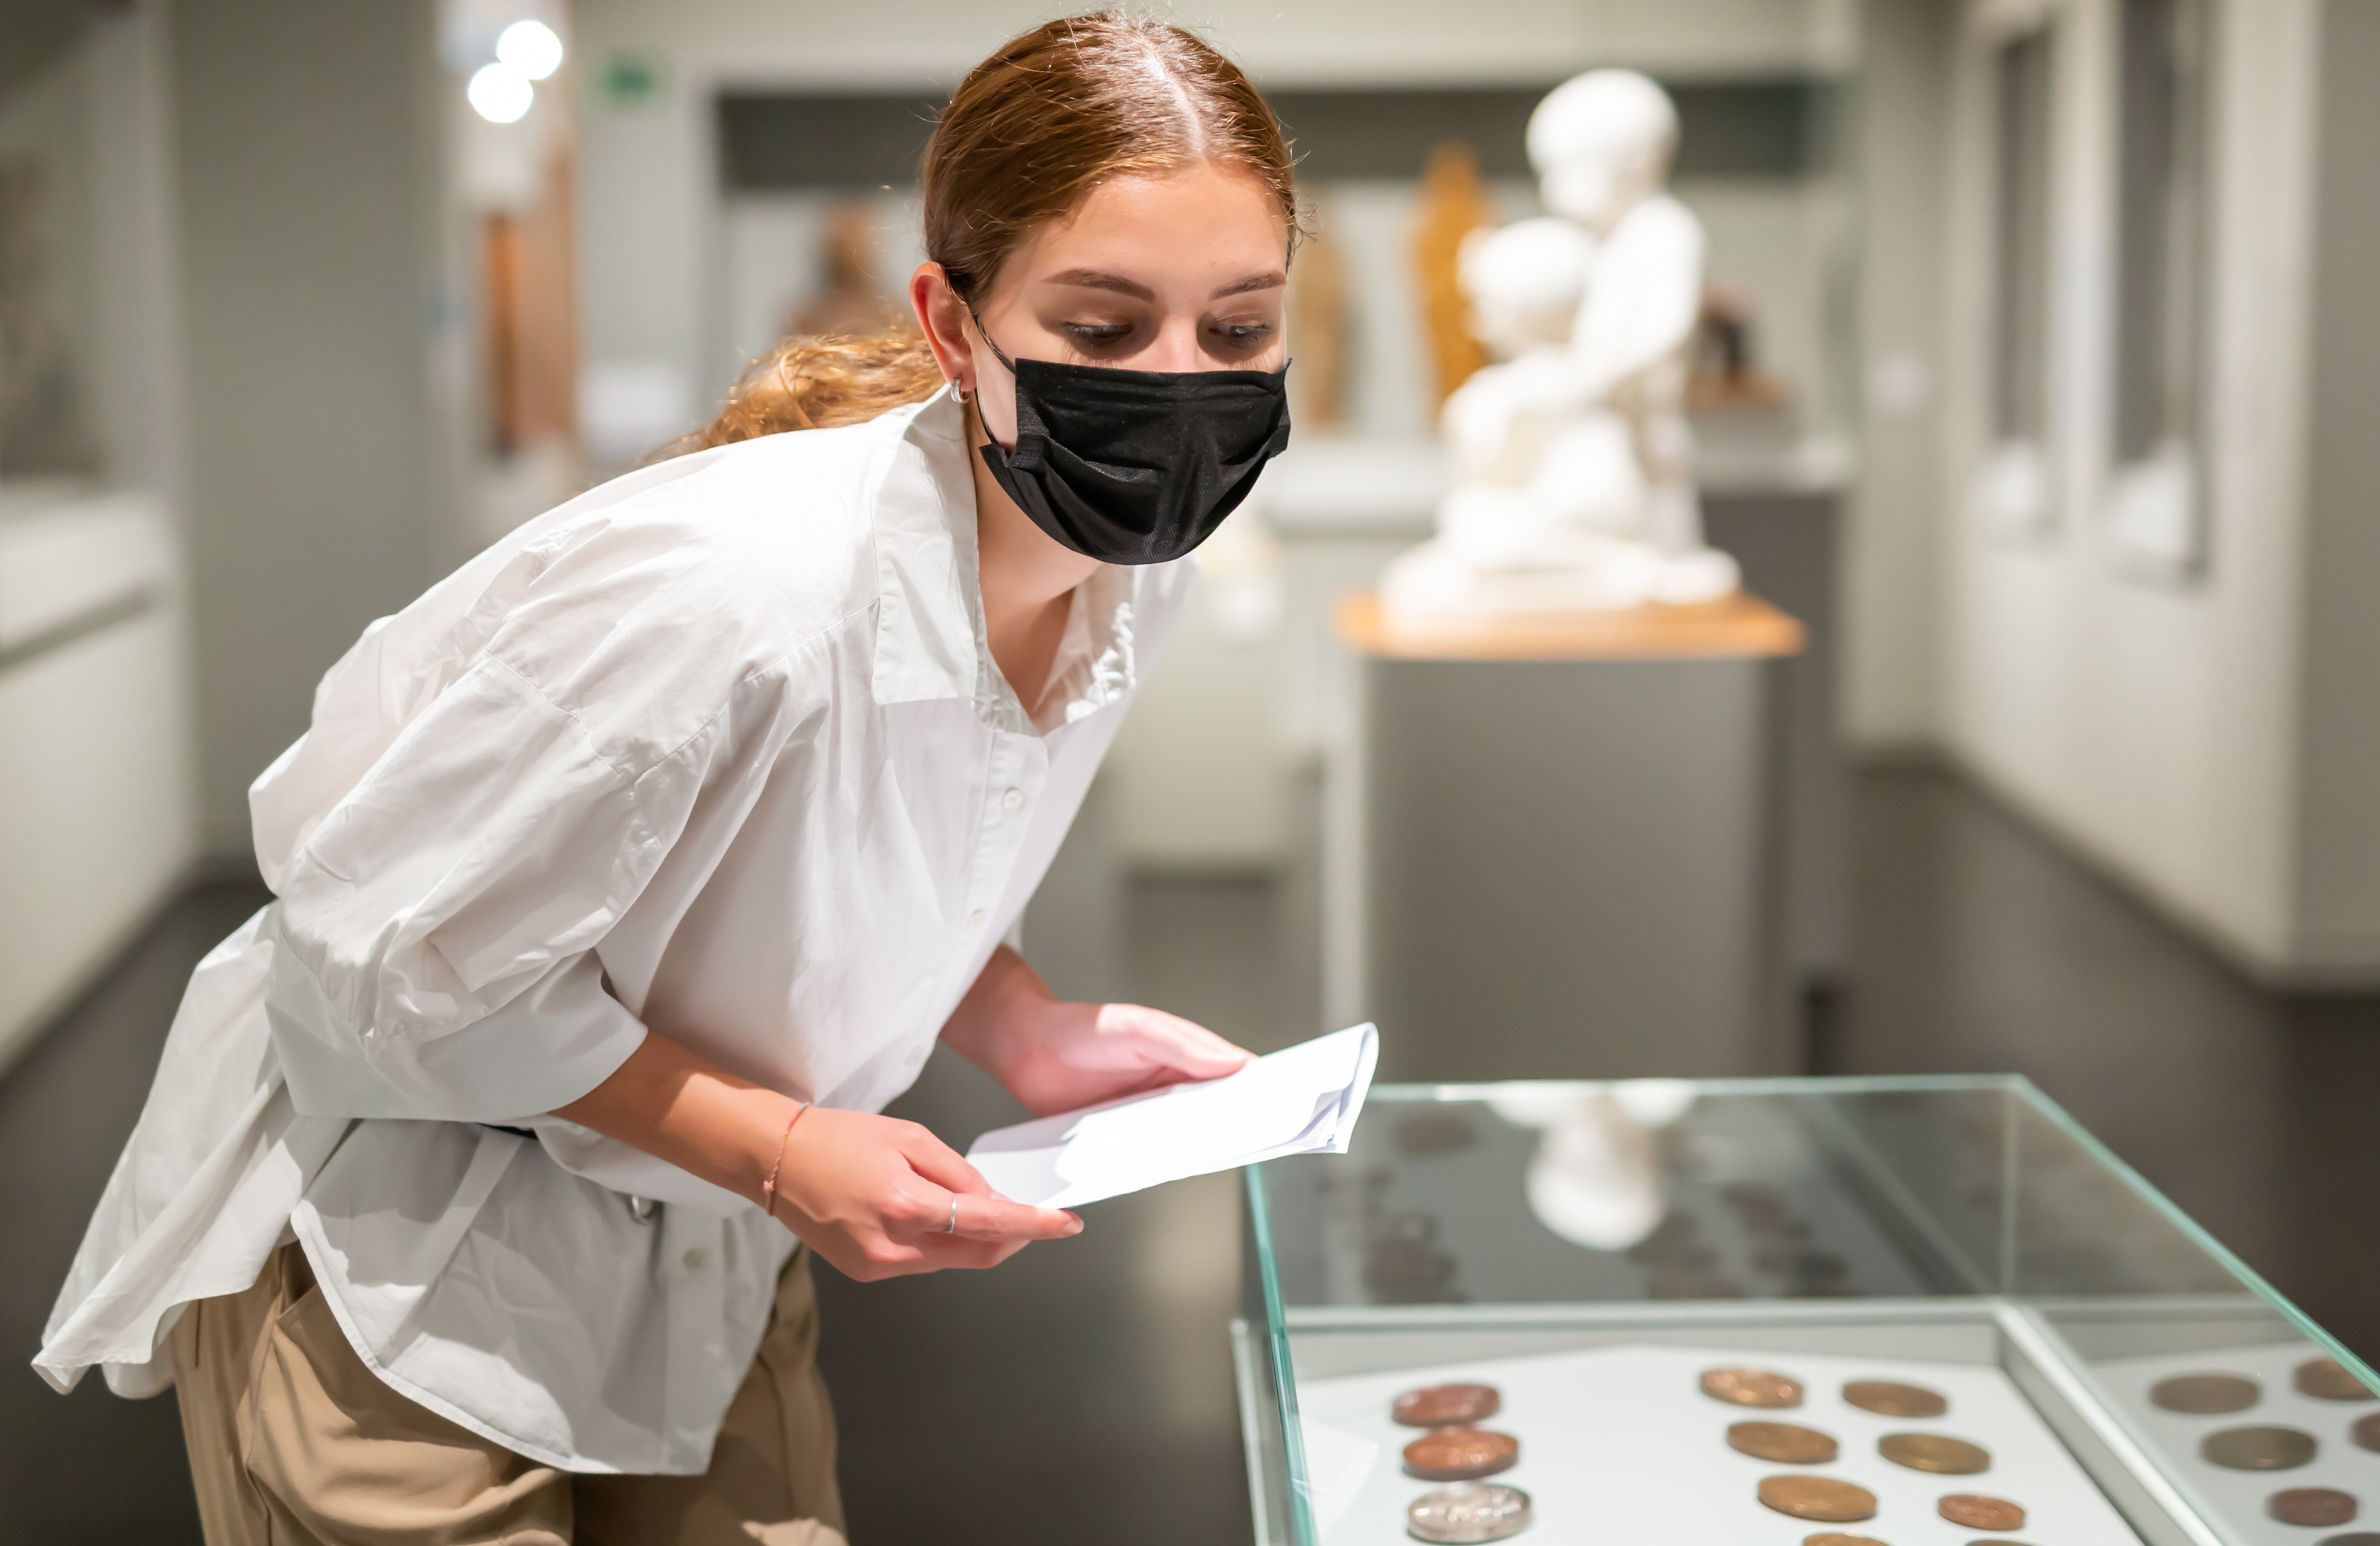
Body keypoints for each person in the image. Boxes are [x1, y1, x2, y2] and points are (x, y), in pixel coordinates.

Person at [35, 14, 1299, 1543]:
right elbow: (398, 959)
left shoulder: (1127, 571)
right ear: (954, 326)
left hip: (707, 1252)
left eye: (1236, 329)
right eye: (1102, 329)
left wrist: (1011, 1012)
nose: (1180, 385)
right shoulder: (734, 591)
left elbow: (870, 838)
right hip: (416, 1248)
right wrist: (777, 1144)